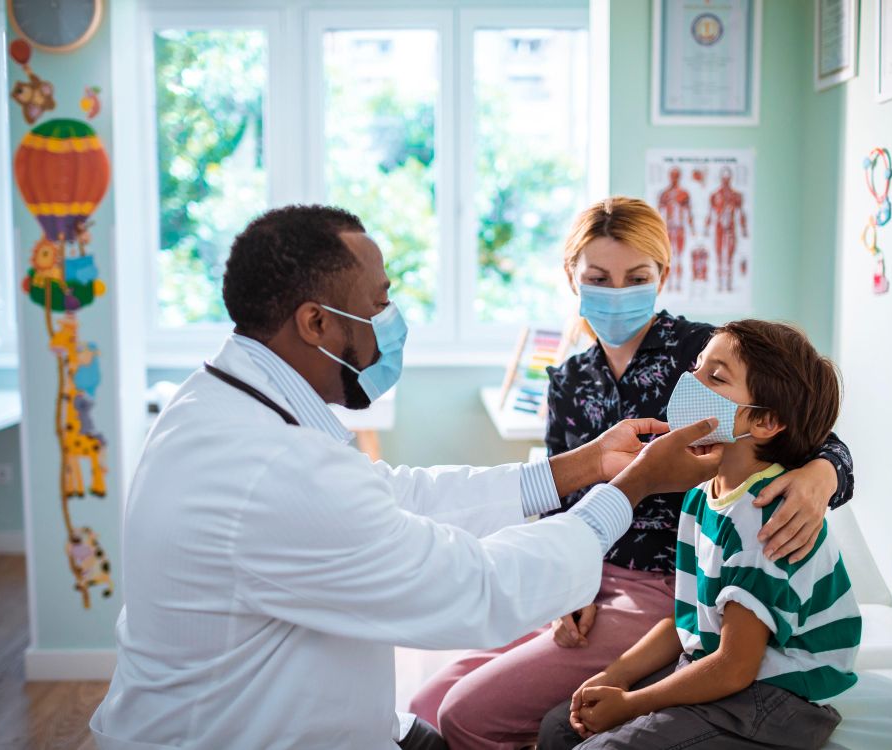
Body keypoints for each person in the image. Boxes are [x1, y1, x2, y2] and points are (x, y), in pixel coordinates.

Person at [88, 205, 725, 750]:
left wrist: (583, 467)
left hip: (288, 716)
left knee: (447, 718)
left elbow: (397, 494)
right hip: (241, 733)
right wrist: (630, 488)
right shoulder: (271, 470)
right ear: (317, 324)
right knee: (447, 710)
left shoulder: (222, 406)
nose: (393, 320)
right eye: (381, 302)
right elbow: (479, 590)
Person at [409, 197, 854, 750]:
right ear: (572, 278)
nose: (617, 293)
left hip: (670, 584)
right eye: (598, 277)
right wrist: (569, 577)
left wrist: (821, 477)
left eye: (636, 277)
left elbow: (809, 433)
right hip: (589, 573)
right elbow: (560, 497)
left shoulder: (704, 352)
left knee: (466, 714)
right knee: (425, 706)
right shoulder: (570, 378)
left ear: (662, 276)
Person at [539, 319, 859, 749]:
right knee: (559, 728)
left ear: (764, 421)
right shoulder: (701, 496)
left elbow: (735, 666)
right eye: (696, 366)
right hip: (720, 663)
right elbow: (688, 620)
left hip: (776, 697)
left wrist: (631, 704)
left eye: (716, 376)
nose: (689, 381)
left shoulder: (764, 517)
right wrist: (617, 675)